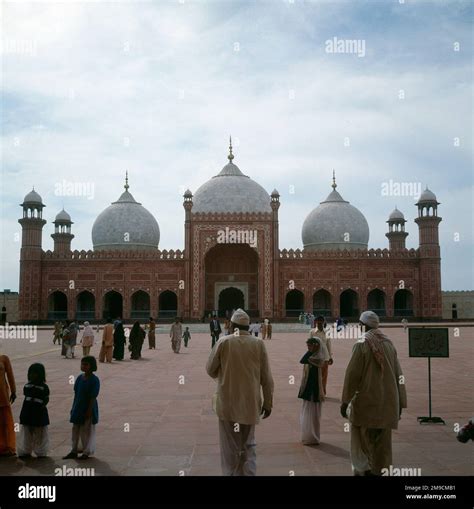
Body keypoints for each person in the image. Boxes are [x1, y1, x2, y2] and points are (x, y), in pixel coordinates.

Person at [206, 308, 274, 476]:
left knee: (229, 447)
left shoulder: (224, 342)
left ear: (231, 326)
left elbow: (210, 369)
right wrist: (268, 403)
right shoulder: (258, 344)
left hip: (228, 404)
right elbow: (267, 378)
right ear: (248, 326)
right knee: (248, 444)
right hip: (250, 404)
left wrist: (223, 374)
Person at [341, 311, 407, 476]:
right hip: (388, 404)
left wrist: (345, 401)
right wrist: (401, 401)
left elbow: (352, 376)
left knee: (363, 445)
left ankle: (365, 470)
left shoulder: (362, 343)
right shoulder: (388, 343)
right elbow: (399, 375)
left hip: (367, 404)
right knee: (383, 449)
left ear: (363, 325)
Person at [63, 356, 100, 460]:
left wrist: (89, 411)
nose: (83, 366)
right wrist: (73, 407)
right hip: (78, 406)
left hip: (88, 408)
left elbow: (93, 397)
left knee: (86, 431)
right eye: (82, 364)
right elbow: (76, 394)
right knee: (75, 429)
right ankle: (74, 450)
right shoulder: (79, 378)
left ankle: (86, 451)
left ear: (91, 366)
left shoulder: (94, 380)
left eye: (86, 364)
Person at [17, 363, 50, 458]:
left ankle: (41, 451)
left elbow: (46, 399)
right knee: (27, 432)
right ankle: (26, 450)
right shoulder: (27, 386)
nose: (32, 375)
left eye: (35, 373)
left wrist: (42, 407)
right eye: (30, 373)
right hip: (27, 411)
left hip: (39, 412)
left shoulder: (44, 387)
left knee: (39, 432)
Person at [298, 337, 325, 445]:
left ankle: (312, 437)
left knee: (313, 414)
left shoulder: (318, 357)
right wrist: (311, 350)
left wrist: (310, 351)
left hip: (313, 390)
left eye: (310, 345)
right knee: (308, 413)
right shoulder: (313, 356)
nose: (308, 348)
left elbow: (302, 360)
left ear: (316, 346)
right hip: (309, 388)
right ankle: (308, 436)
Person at [310, 316, 333, 395]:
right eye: (318, 322)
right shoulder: (312, 332)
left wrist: (330, 356)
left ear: (323, 322)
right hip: (315, 357)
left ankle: (322, 391)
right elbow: (309, 345)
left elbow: (328, 344)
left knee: (324, 375)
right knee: (315, 375)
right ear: (315, 322)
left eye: (321, 322)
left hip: (325, 357)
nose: (319, 324)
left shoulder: (327, 332)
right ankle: (316, 391)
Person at [0, 354, 16, 456]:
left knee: (5, 422)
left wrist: (13, 391)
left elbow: (10, 375)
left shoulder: (4, 358)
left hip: (2, 395)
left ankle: (7, 446)